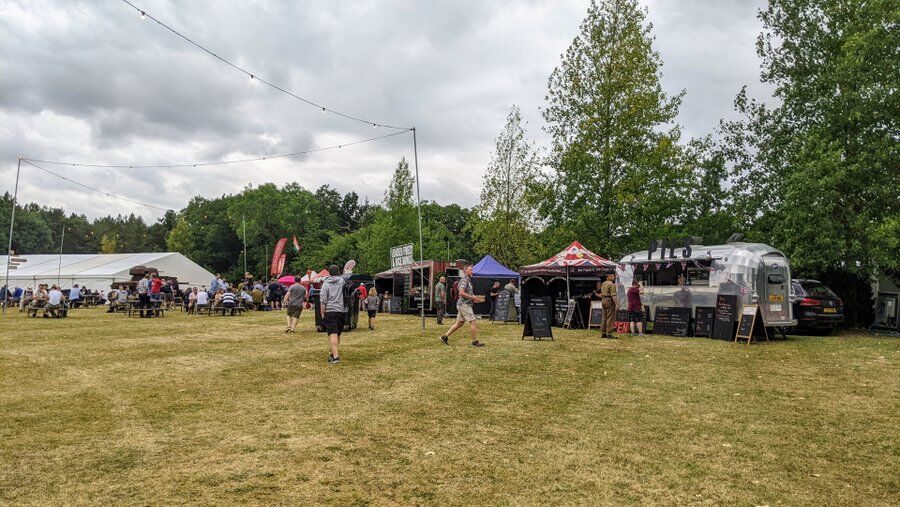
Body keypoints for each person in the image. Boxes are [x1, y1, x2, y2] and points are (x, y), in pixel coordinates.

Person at [439, 265, 485, 347]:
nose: (472, 271)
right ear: (465, 270)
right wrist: (473, 298)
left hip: (463, 304)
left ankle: (444, 337)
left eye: (472, 270)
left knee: (459, 323)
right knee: (473, 321)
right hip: (464, 304)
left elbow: (467, 293)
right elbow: (461, 293)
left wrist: (475, 298)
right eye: (470, 270)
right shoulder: (464, 280)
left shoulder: (468, 280)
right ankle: (475, 342)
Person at [319, 265, 345, 364]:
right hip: (341, 310)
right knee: (338, 333)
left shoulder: (326, 284)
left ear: (329, 273)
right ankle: (333, 352)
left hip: (330, 310)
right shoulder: (342, 281)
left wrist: (322, 313)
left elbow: (323, 300)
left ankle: (335, 357)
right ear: (338, 272)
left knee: (332, 333)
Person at [600, 273, 618, 339]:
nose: (614, 277)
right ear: (609, 276)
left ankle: (603, 333)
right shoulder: (611, 284)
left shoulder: (603, 284)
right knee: (610, 317)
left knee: (604, 317)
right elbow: (613, 295)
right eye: (613, 276)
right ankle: (609, 333)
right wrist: (616, 304)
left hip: (603, 300)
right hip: (609, 300)